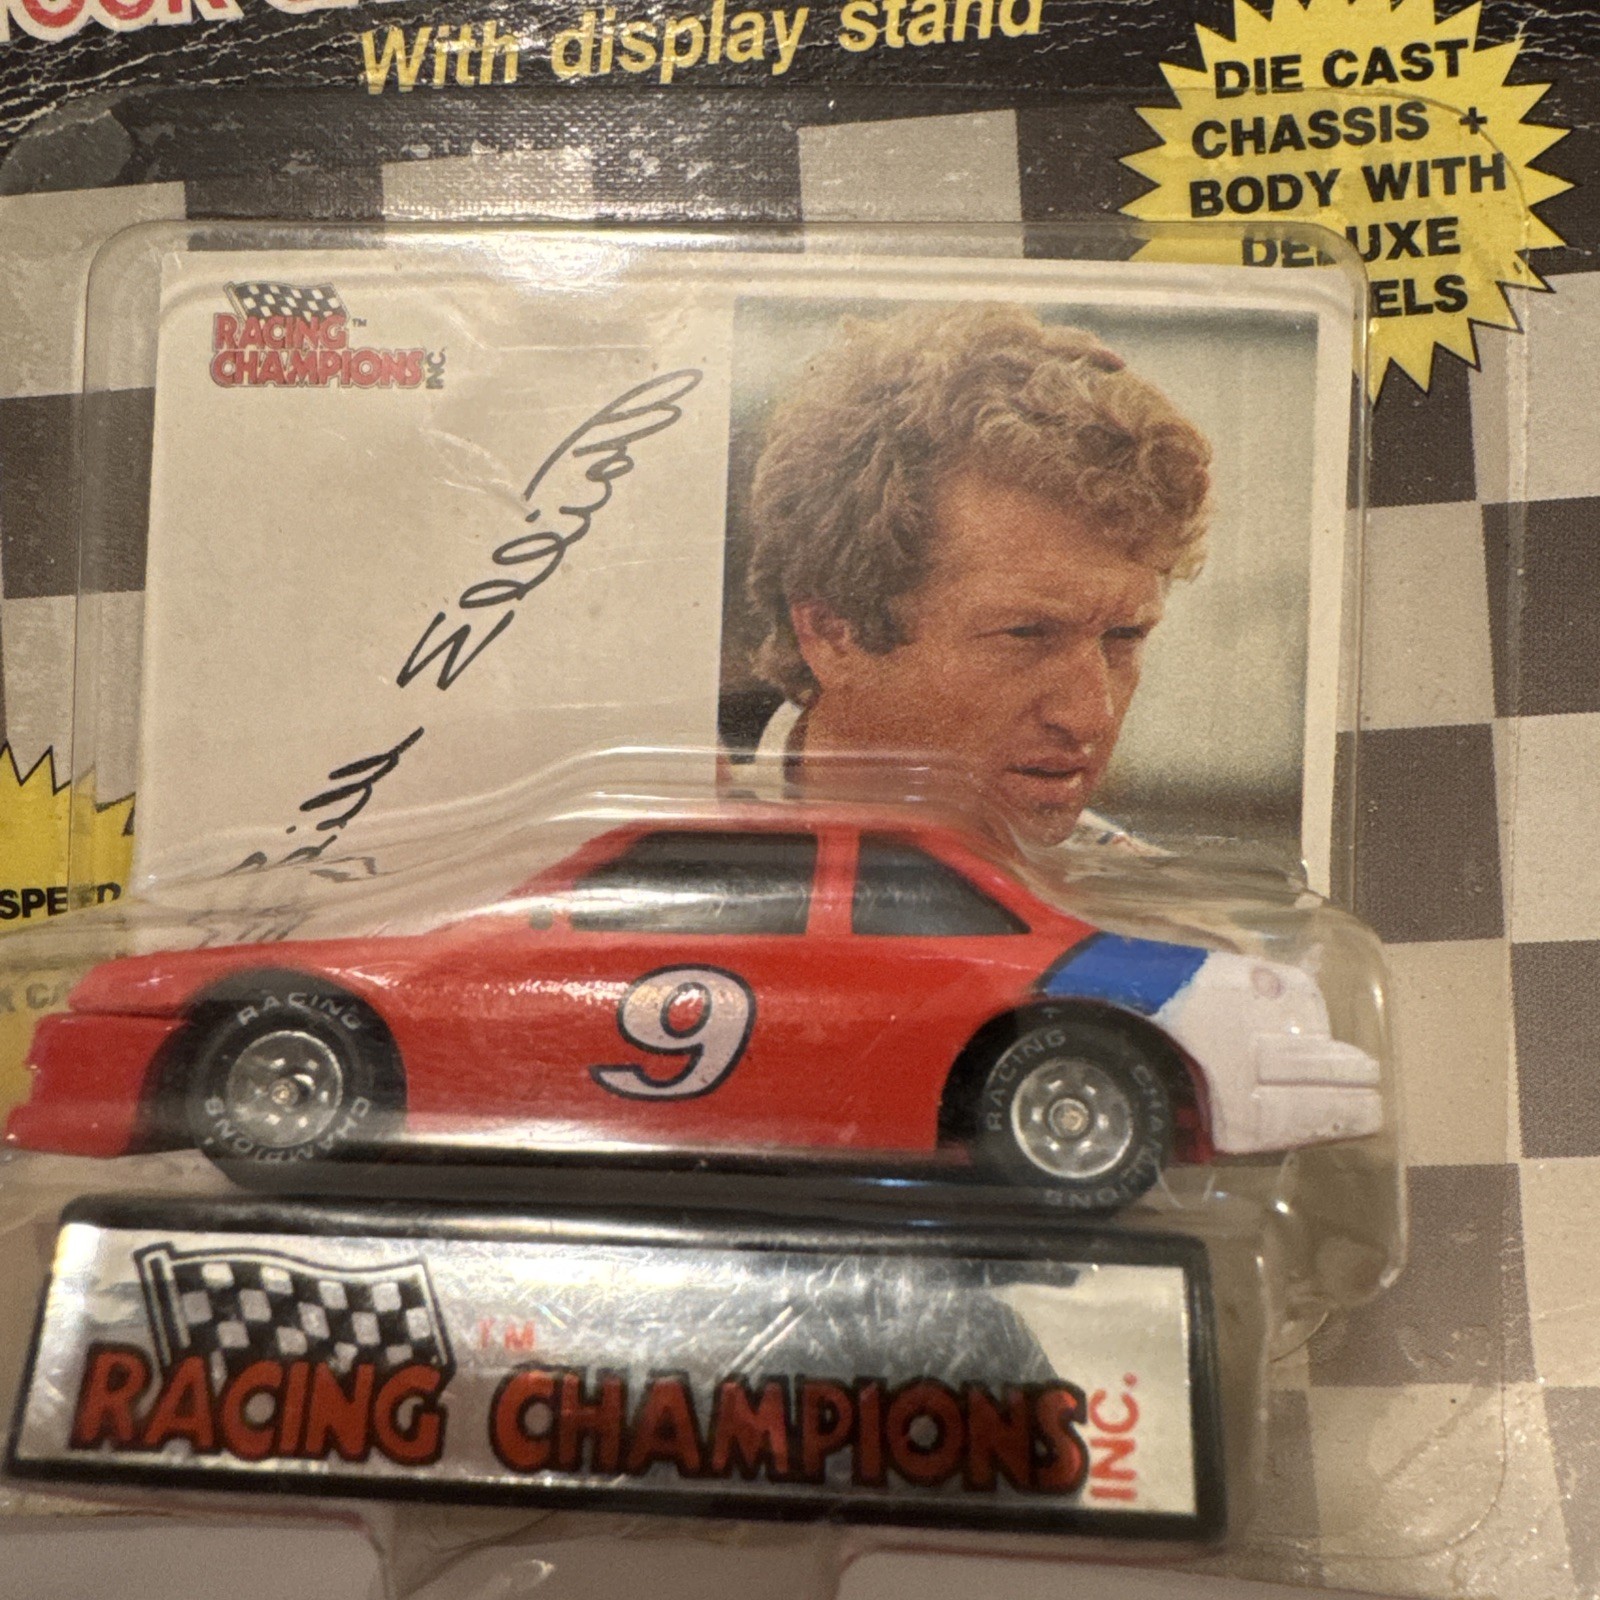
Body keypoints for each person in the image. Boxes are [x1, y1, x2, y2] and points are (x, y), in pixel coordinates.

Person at [736, 302, 1213, 849]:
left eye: (1124, 636)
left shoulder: (1140, 898)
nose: (1090, 717)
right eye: (1026, 634)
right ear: (832, 632)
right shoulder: (672, 859)